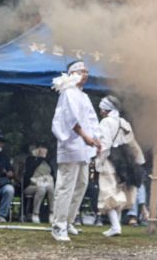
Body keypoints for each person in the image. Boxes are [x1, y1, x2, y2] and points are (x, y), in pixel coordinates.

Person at [50, 60, 102, 242]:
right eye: (82, 71)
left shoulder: (83, 96)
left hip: (84, 147)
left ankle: (69, 220)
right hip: (71, 145)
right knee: (66, 185)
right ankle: (59, 224)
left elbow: (91, 120)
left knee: (82, 184)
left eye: (87, 71)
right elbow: (70, 118)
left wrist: (96, 138)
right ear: (72, 73)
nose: (85, 74)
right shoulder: (69, 93)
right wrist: (84, 136)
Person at [94, 95, 145, 237]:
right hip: (124, 161)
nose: (100, 111)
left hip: (110, 159)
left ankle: (116, 226)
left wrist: (99, 162)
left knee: (108, 192)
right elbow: (132, 143)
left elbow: (105, 144)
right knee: (119, 191)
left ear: (105, 110)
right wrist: (139, 160)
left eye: (101, 109)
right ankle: (116, 225)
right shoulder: (124, 123)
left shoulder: (106, 123)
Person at [22, 145, 55, 223]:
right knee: (41, 189)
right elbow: (28, 173)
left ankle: (52, 213)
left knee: (51, 188)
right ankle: (35, 214)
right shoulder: (30, 159)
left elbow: (52, 174)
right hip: (31, 185)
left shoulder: (47, 161)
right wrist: (39, 157)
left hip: (46, 183)